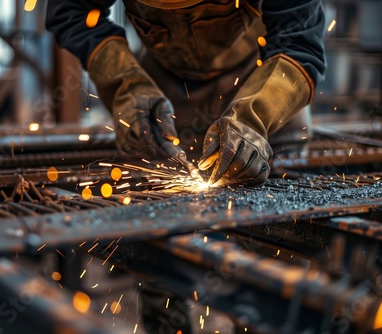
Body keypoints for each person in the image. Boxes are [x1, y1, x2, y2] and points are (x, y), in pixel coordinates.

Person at [46, 0, 325, 332]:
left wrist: (253, 120)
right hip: (164, 102)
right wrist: (127, 86)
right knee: (160, 259)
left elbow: (299, 40)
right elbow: (70, 12)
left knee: (270, 270)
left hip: (269, 95)